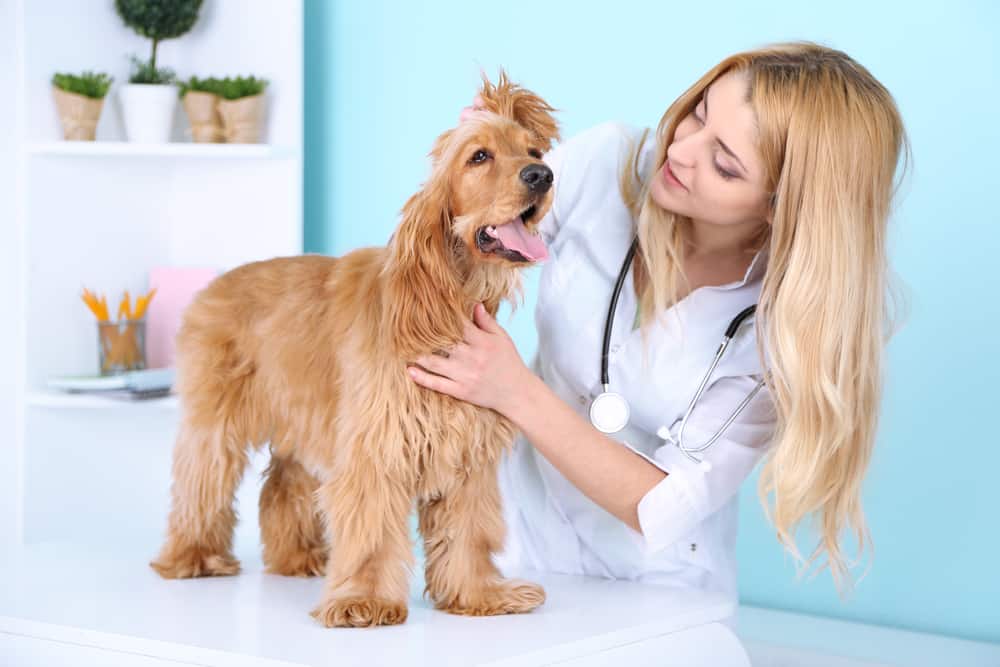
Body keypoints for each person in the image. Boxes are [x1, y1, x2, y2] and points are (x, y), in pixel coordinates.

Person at [406, 41, 908, 607]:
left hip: (655, 591)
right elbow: (476, 246)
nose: (682, 150)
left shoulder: (782, 331)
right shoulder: (608, 163)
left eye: (724, 163)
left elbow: (661, 506)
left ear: (780, 204)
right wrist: (476, 162)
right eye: (698, 112)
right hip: (513, 545)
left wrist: (515, 391)